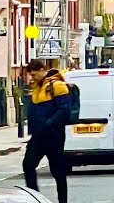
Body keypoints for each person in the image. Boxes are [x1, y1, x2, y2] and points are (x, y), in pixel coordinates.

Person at [22, 59, 71, 203]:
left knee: (58, 170)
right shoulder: (37, 86)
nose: (32, 77)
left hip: (53, 136)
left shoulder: (58, 85)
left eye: (34, 74)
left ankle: (63, 201)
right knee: (28, 164)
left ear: (43, 70)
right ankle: (35, 198)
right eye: (31, 75)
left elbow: (64, 110)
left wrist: (49, 124)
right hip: (38, 136)